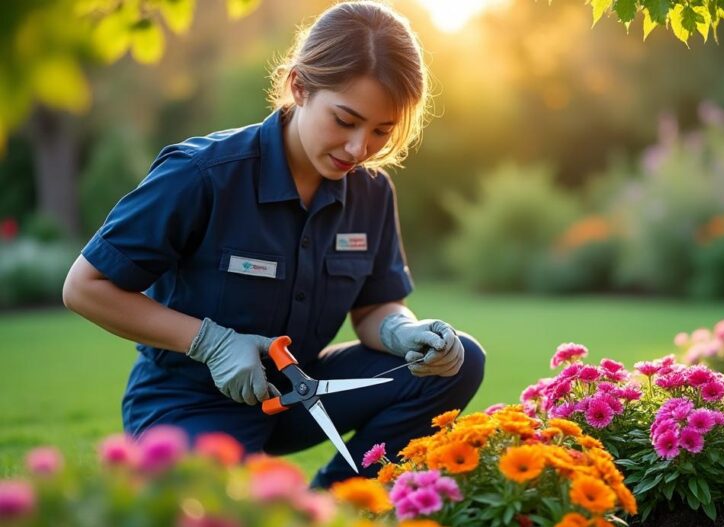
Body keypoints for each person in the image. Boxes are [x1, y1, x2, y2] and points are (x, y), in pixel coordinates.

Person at [62, 1, 484, 488]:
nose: (358, 149)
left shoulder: (371, 191)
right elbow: (84, 288)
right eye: (345, 121)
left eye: (381, 132)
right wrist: (211, 343)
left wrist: (404, 334)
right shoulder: (202, 174)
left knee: (458, 362)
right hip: (189, 403)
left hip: (301, 393)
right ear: (300, 85)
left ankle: (342, 507)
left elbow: (374, 309)